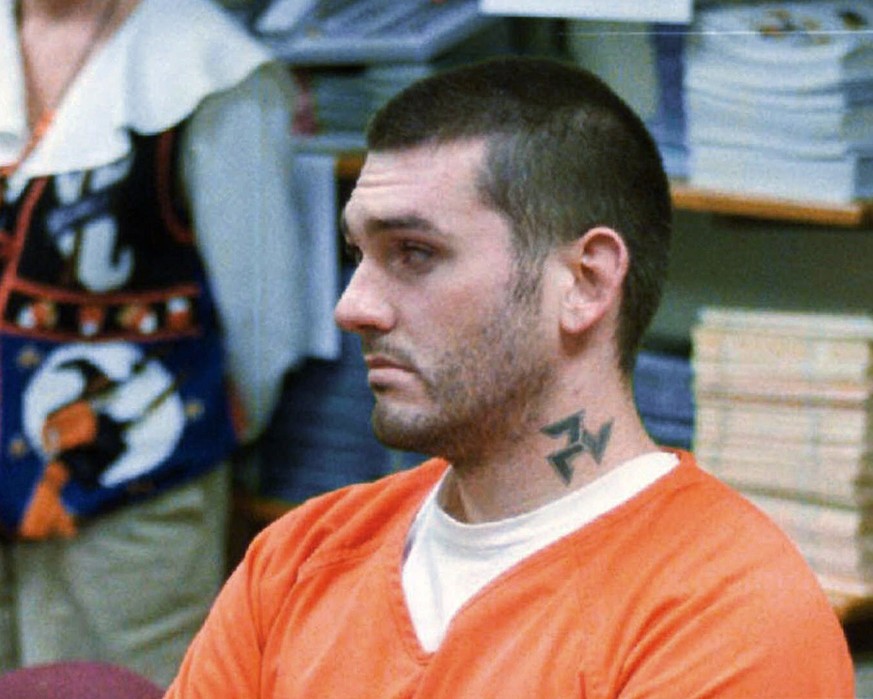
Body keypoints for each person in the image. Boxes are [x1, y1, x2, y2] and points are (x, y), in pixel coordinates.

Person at [165, 56, 855, 697]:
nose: (353, 306)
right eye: (358, 253)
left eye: (413, 252)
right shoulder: (295, 558)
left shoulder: (726, 613)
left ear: (583, 283)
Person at [0, 0, 313, 687]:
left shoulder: (209, 65)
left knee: (117, 683)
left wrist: (198, 437)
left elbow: (262, 312)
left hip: (132, 487)